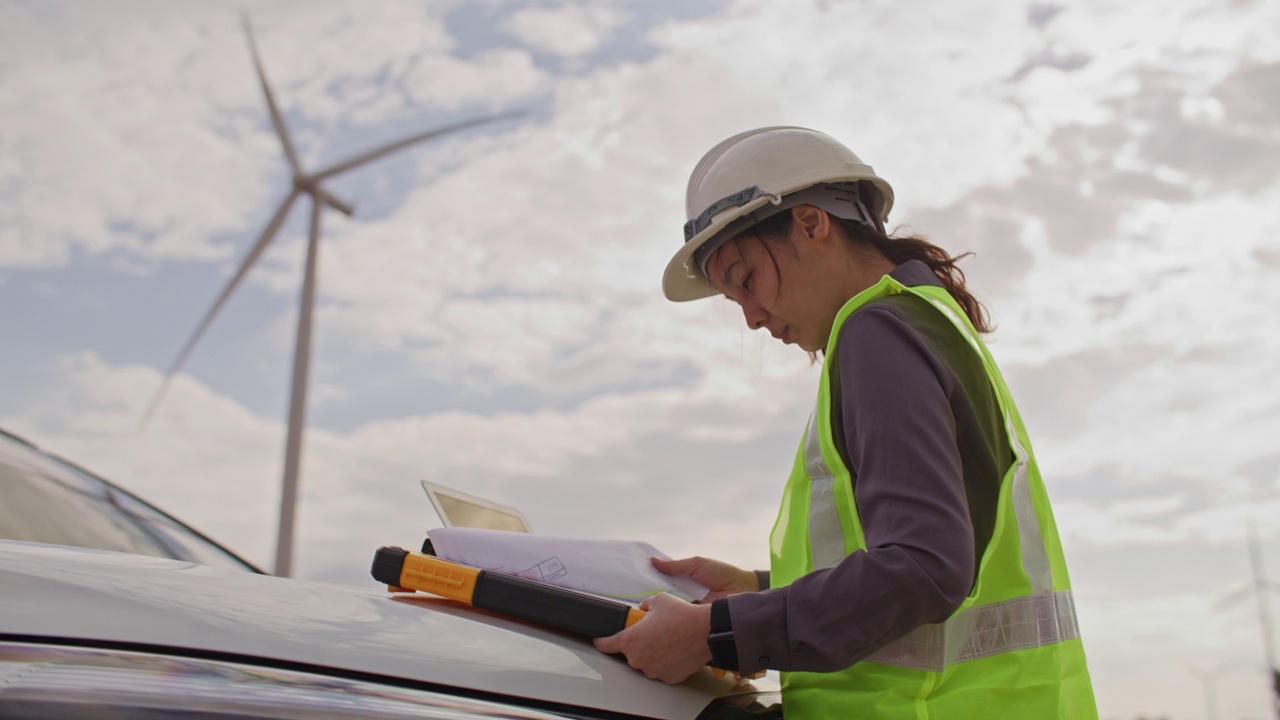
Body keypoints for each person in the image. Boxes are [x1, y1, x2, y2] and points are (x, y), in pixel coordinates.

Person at [593, 127, 1098, 718]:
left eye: (746, 279)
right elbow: (944, 557)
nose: (753, 319)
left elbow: (924, 568)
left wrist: (714, 633)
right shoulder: (928, 320)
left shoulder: (876, 332)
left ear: (811, 224)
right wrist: (759, 589)